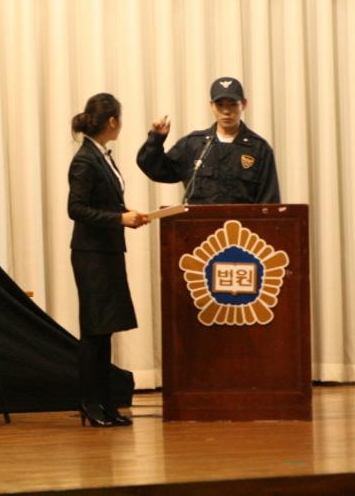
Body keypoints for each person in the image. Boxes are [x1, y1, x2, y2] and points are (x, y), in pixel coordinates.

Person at [68, 93, 148, 428]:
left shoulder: (100, 155)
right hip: (92, 255)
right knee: (94, 330)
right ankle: (90, 403)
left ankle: (106, 402)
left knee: (105, 330)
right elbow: (76, 209)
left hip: (107, 252)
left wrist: (125, 213)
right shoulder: (85, 160)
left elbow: (102, 202)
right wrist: (119, 219)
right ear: (112, 121)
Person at [136, 77, 280, 204]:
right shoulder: (194, 145)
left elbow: (269, 202)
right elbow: (156, 170)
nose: (226, 111)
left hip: (242, 226)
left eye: (232, 104)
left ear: (244, 104)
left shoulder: (259, 149)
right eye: (220, 105)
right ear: (211, 106)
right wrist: (156, 138)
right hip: (198, 225)